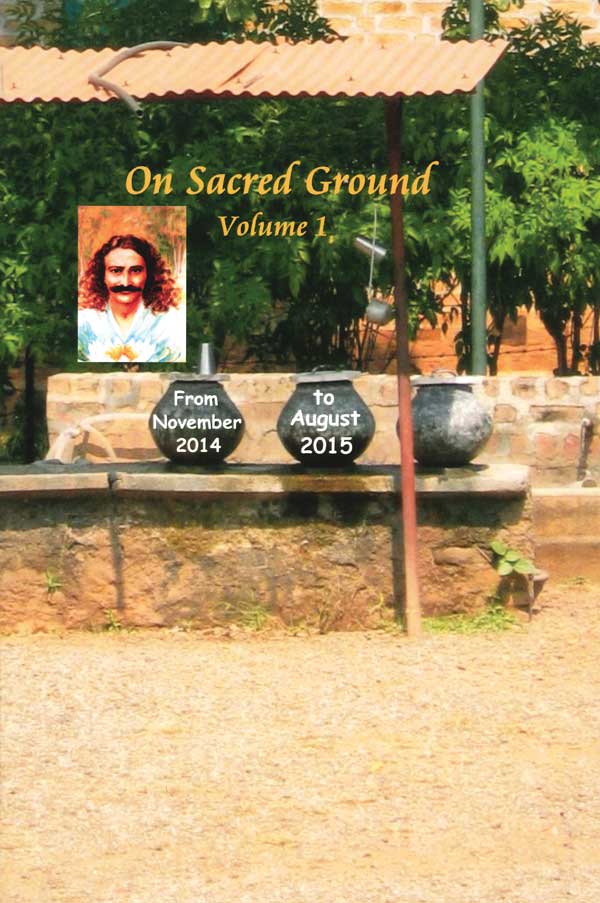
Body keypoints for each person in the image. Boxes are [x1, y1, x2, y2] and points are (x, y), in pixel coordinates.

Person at [78, 234, 185, 362]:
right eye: (116, 271)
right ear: (102, 276)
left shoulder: (170, 323)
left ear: (149, 275)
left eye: (136, 271)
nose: (125, 282)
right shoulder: (84, 323)